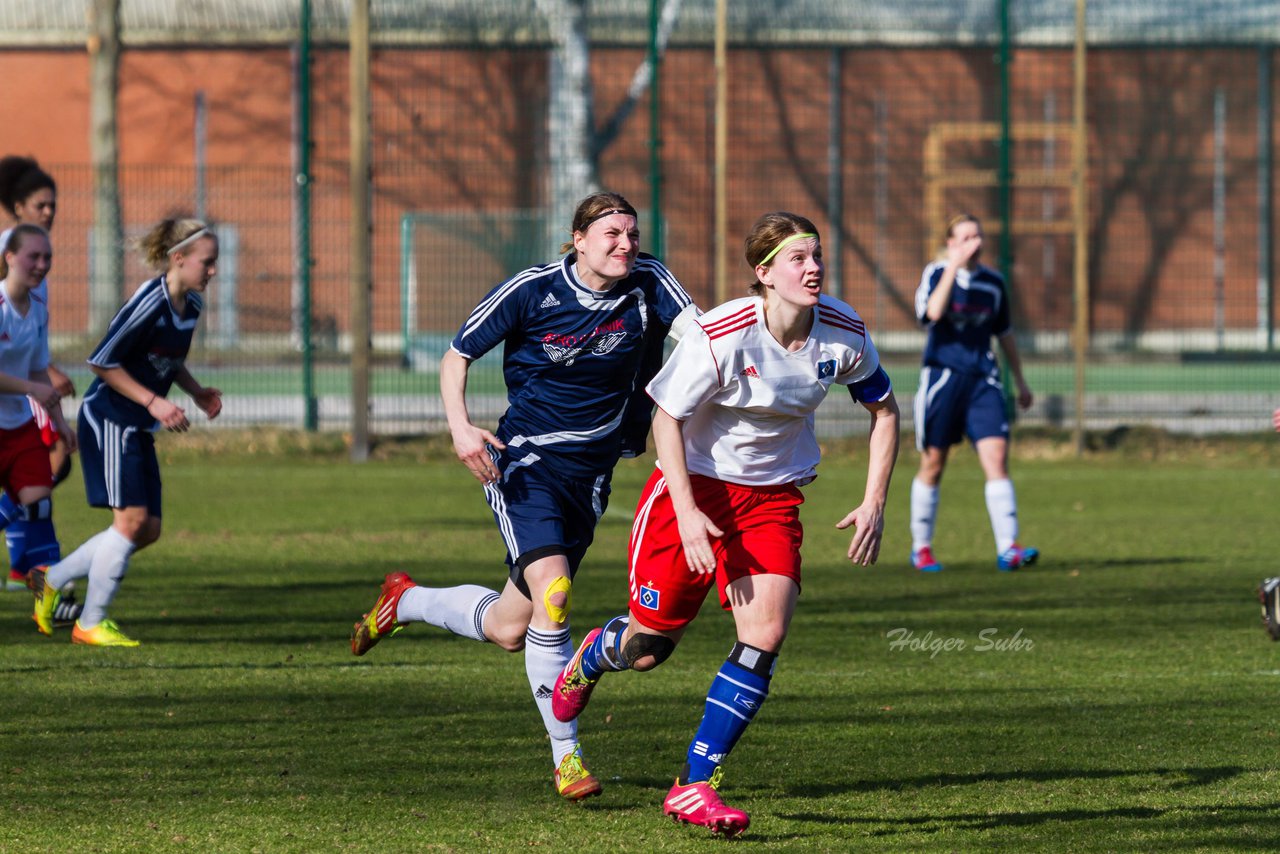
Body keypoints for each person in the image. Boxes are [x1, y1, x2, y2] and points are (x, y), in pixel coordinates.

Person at [552, 212, 900, 836]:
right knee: (648, 649)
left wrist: (875, 499)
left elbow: (885, 408)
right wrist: (687, 514)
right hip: (694, 491)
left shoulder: (843, 332)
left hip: (772, 501)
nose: (813, 267)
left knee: (765, 633)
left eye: (817, 255)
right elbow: (664, 415)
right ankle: (593, 657)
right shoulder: (725, 333)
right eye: (798, 259)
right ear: (764, 275)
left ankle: (694, 786)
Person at [348, 192, 696, 800]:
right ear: (578, 238)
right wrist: (460, 429)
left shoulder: (648, 282)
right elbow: (457, 354)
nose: (625, 244)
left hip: (591, 475)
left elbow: (702, 334)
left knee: (513, 627)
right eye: (611, 233)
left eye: (633, 234)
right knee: (555, 593)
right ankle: (568, 757)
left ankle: (402, 603)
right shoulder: (533, 290)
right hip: (524, 462)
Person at [30, 216, 223, 646]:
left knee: (148, 529)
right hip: (111, 419)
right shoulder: (149, 302)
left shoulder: (190, 306)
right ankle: (90, 622)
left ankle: (51, 578)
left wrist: (196, 392)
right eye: (207, 262)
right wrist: (154, 401)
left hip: (136, 423)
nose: (213, 271)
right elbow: (101, 361)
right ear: (178, 259)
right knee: (132, 522)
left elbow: (167, 360)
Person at [908, 213, 1037, 573]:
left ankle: (1008, 546)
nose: (972, 243)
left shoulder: (994, 283)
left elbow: (1005, 333)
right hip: (943, 379)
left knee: (997, 459)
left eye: (977, 236)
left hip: (984, 379)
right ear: (950, 243)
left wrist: (1021, 381)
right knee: (933, 464)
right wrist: (954, 266)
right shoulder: (936, 273)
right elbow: (931, 313)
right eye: (964, 237)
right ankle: (922, 548)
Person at [0, 157, 79, 623]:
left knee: (39, 503)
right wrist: (34, 382)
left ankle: (44, 592)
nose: (42, 265)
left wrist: (62, 419)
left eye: (47, 259)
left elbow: (34, 364)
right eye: (35, 258)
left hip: (20, 421)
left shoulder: (38, 303)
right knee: (28, 505)